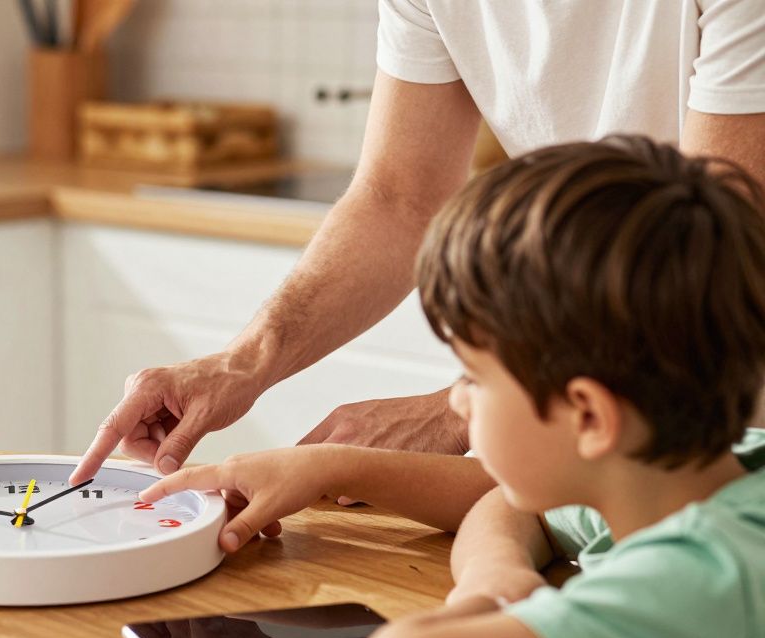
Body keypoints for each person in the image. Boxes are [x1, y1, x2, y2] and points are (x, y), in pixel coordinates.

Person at [141, 136, 765, 638]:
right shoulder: (705, 474)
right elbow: (509, 502)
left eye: (475, 376)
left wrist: (484, 608)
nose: (458, 400)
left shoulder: (700, 589)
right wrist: (491, 571)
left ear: (591, 419)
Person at [69, 2, 765, 513]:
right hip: (613, 436)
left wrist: (467, 409)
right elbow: (399, 198)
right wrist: (240, 363)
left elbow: (712, 253)